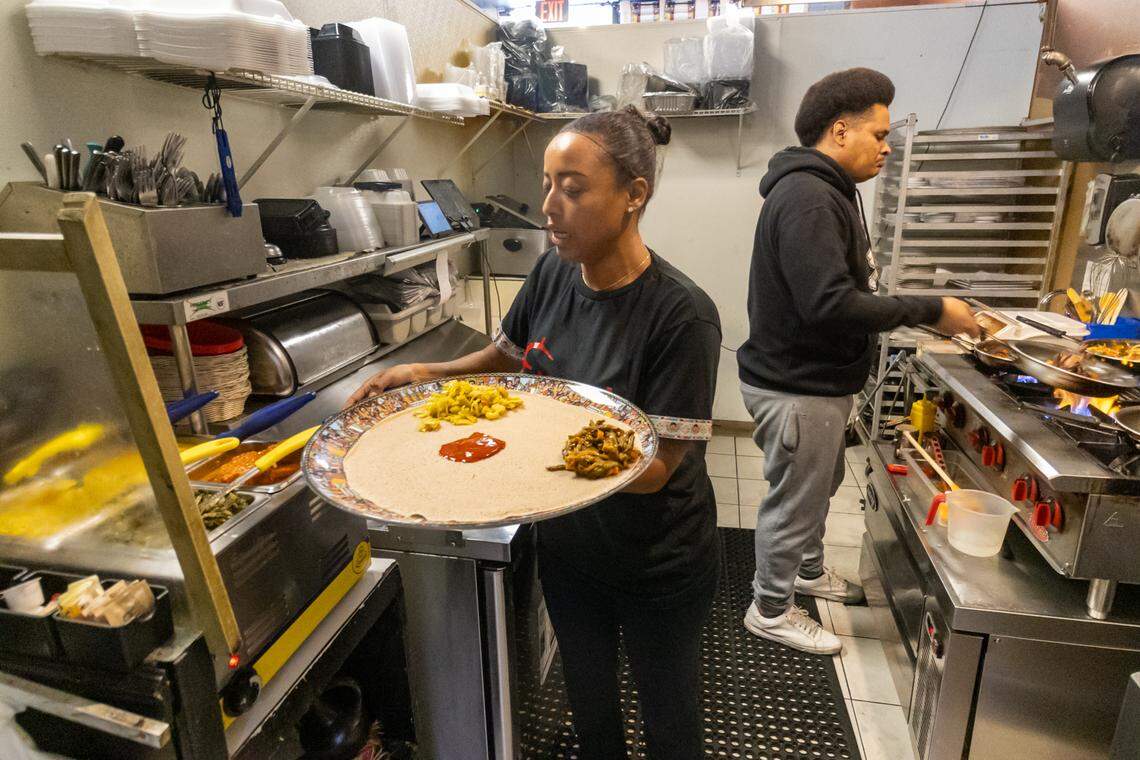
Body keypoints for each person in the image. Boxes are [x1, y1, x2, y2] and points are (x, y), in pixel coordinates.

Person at [346, 106, 722, 759]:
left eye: (573, 189)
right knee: (591, 707)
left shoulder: (681, 314)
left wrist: (517, 451)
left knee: (669, 719)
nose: (550, 206)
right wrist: (420, 374)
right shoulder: (551, 273)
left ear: (635, 195)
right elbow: (507, 358)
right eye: (547, 183)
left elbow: (659, 468)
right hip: (571, 553)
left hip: (657, 562)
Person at [736, 68, 981, 656]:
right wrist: (932, 309)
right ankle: (769, 608)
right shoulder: (807, 197)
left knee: (821, 486)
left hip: (819, 380)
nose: (887, 145)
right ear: (840, 131)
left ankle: (808, 571)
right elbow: (827, 304)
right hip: (798, 386)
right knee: (794, 500)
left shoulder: (830, 190)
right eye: (879, 133)